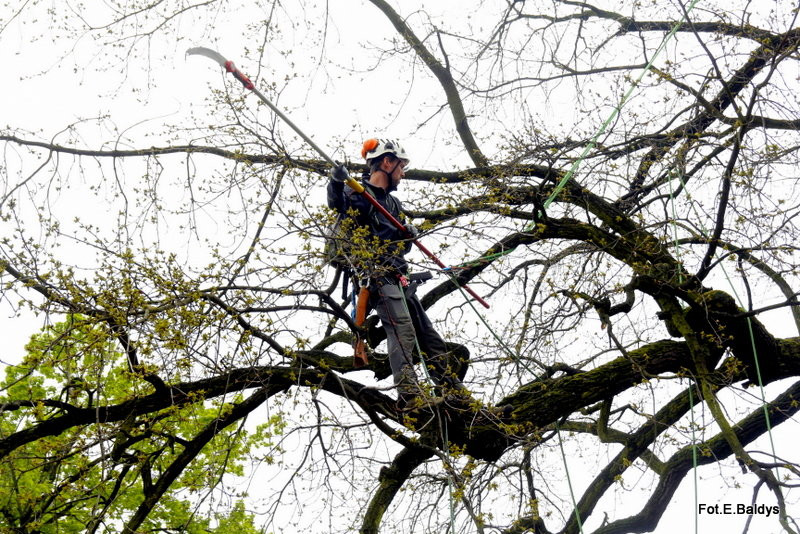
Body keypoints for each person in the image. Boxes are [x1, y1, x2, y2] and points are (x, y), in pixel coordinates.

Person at [327, 138, 468, 411]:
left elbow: (401, 248)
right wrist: (335, 181)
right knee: (402, 330)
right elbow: (338, 205)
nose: (403, 173)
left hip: (399, 276)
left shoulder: (393, 204)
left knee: (430, 337)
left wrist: (407, 234)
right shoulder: (358, 195)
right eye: (401, 166)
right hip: (377, 277)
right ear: (387, 162)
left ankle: (455, 393)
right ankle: (409, 394)